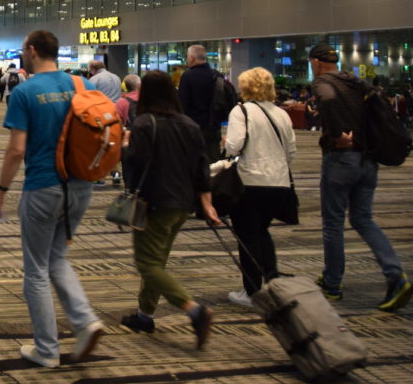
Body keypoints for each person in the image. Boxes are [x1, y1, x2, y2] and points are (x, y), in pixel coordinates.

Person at [0, 30, 105, 368]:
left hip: (43, 187)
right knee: (57, 258)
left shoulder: (25, 92)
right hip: (81, 186)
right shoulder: (82, 86)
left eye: (24, 50)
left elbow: (16, 150)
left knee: (36, 270)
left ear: (33, 50)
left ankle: (47, 349)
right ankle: (85, 321)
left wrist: (0, 193)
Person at [119, 71, 219, 346]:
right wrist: (207, 205)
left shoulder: (143, 123)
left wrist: (125, 146)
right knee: (157, 261)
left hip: (154, 203)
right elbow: (202, 167)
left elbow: (135, 162)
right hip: (182, 204)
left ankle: (193, 310)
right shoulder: (189, 124)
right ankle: (144, 314)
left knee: (147, 263)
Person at [309, 43, 412, 311]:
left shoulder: (322, 82)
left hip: (342, 160)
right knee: (363, 219)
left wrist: (336, 135)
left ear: (316, 63)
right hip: (368, 159)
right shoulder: (356, 81)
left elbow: (329, 101)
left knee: (333, 223)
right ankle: (395, 274)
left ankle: (332, 283)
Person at [213, 68, 297, 307]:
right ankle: (272, 282)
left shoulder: (241, 111)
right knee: (262, 232)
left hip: (251, 182)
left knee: (247, 237)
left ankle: (252, 291)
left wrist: (226, 143)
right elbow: (291, 151)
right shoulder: (281, 113)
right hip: (279, 184)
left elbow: (234, 146)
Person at [178, 45, 229, 165]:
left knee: (193, 163)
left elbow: (182, 104)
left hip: (193, 128)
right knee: (213, 164)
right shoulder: (217, 75)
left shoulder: (187, 76)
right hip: (214, 127)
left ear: (191, 58)